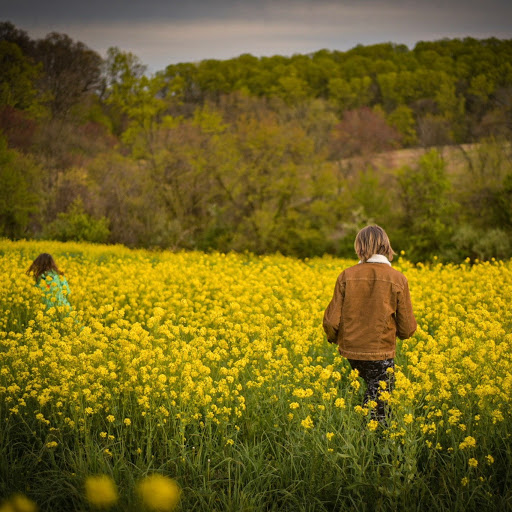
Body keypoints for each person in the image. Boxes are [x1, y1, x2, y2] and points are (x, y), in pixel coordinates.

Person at [323, 225, 417, 423]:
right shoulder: (398, 278)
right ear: (386, 247)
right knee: (381, 400)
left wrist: (334, 338)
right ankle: (373, 442)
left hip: (352, 352)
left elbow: (331, 321)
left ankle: (366, 432)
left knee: (374, 390)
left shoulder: (346, 275)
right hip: (380, 351)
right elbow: (407, 328)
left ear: (360, 248)